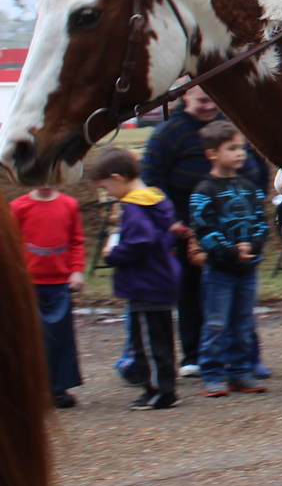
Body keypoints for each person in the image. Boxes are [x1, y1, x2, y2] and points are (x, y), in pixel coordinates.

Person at [142, 85, 268, 376]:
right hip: (188, 227)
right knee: (192, 291)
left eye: (212, 100)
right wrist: (170, 219)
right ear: (186, 97)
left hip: (238, 225)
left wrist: (254, 205)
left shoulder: (232, 126)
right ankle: (195, 355)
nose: (208, 106)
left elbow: (258, 167)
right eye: (201, 101)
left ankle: (247, 356)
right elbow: (152, 177)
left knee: (241, 294)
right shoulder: (168, 134)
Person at [88, 148, 181, 410]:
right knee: (161, 339)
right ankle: (164, 387)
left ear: (117, 177)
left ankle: (159, 391)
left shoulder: (134, 208)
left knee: (148, 343)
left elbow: (141, 240)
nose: (107, 193)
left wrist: (113, 254)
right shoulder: (155, 200)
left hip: (145, 284)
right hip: (161, 281)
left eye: (106, 187)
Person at [190, 121, 269, 397]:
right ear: (212, 153)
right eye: (231, 148)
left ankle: (239, 372)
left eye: (242, 148)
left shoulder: (250, 188)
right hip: (220, 272)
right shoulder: (203, 191)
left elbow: (262, 222)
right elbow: (203, 230)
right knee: (215, 323)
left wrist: (255, 246)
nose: (240, 154)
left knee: (244, 323)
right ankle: (212, 374)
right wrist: (231, 251)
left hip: (248, 270)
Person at [10, 185, 84, 408]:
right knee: (29, 338)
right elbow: (12, 244)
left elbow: (77, 240)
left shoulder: (69, 205)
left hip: (60, 284)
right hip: (28, 284)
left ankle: (58, 387)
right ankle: (29, 388)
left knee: (59, 338)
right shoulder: (17, 207)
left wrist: (76, 270)